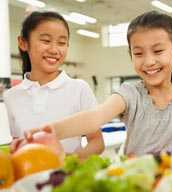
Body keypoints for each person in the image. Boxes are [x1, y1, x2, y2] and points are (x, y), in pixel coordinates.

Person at [17, 11, 172, 156]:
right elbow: (95, 117)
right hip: (139, 187)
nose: (148, 61)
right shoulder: (129, 93)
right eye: (138, 53)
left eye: (158, 51)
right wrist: (51, 130)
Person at [4, 11, 104, 159]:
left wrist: (69, 162)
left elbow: (97, 142)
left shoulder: (79, 89)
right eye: (45, 41)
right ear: (23, 43)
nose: (54, 50)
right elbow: (12, 146)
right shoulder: (10, 97)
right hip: (26, 178)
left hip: (67, 178)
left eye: (62, 43)